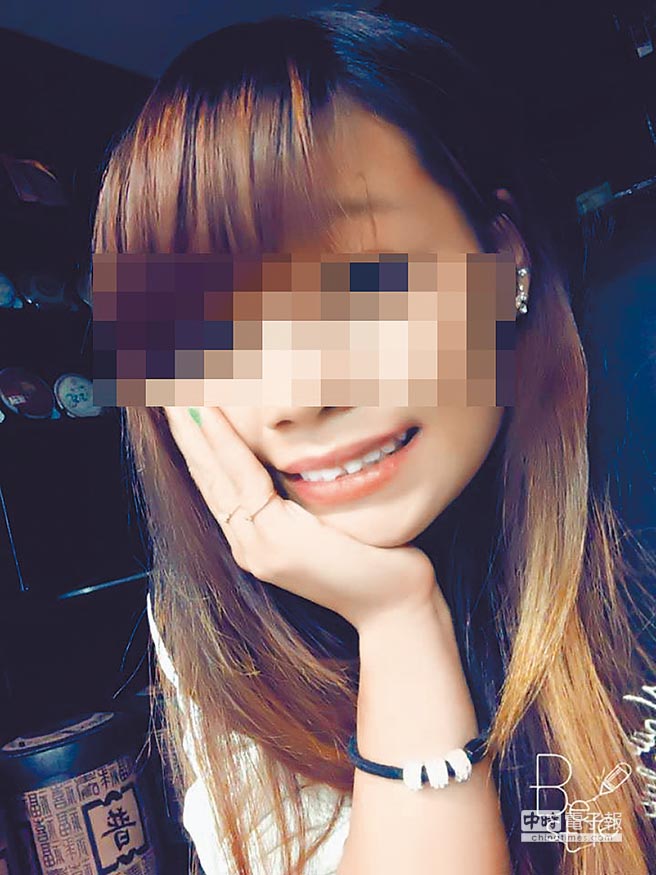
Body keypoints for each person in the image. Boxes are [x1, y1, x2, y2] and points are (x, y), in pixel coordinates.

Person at [90, 8, 656, 874]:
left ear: (502, 254)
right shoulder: (221, 612)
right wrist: (396, 624)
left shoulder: (634, 466)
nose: (296, 398)